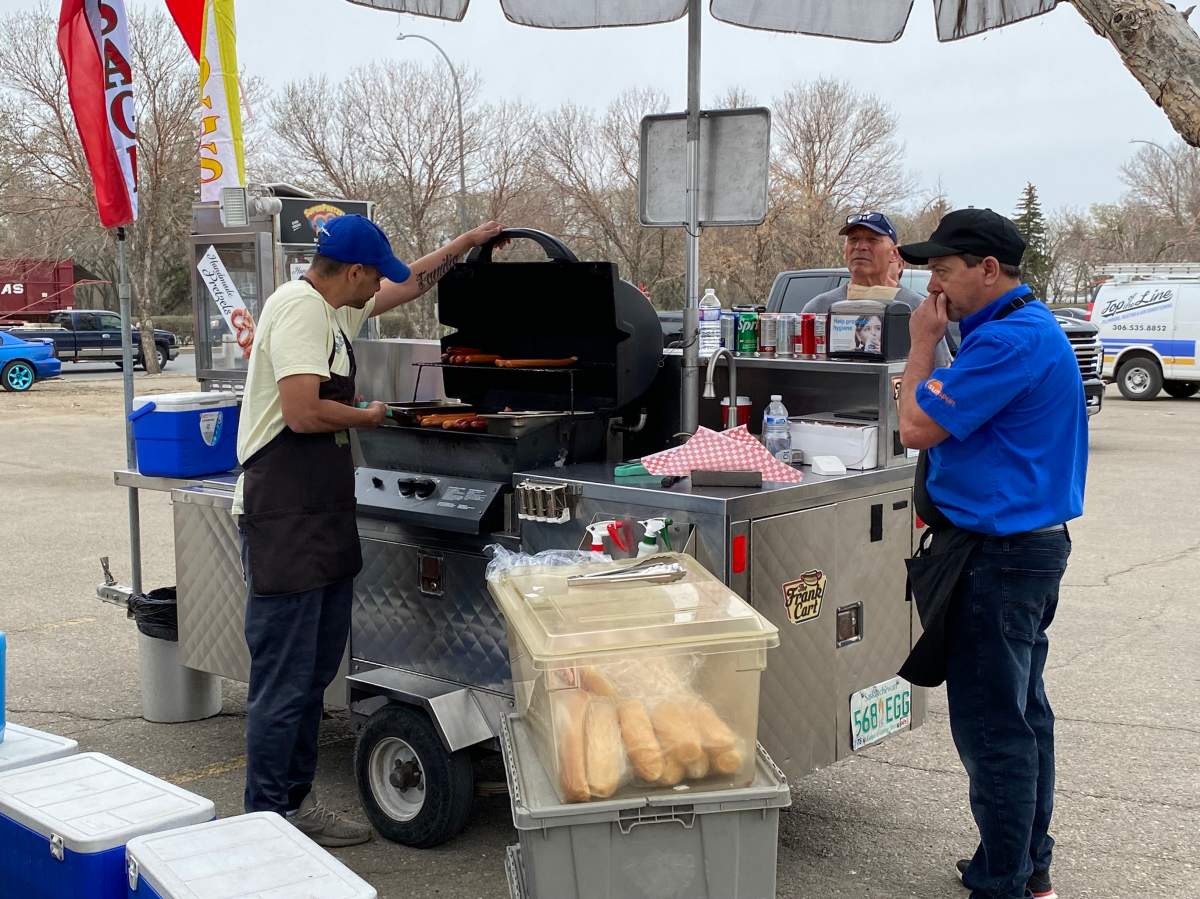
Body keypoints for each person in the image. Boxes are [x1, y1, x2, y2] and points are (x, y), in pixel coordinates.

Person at [233, 214, 503, 846]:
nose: (377, 285)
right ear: (351, 272)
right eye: (372, 275)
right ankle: (268, 820)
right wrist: (371, 415)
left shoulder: (334, 311)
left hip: (318, 514)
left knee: (313, 669)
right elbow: (301, 413)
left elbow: (406, 286)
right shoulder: (299, 309)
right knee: (285, 678)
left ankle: (291, 808)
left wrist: (465, 245)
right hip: (283, 517)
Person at [896, 208, 1087, 899]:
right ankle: (1023, 865)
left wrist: (921, 343)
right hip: (1023, 549)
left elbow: (916, 425)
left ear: (987, 270)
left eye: (943, 272)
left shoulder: (1007, 342)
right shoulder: (1019, 332)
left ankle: (1005, 881)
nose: (934, 289)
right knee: (1023, 714)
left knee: (992, 727)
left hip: (999, 557)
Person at [803, 210, 951, 366]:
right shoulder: (818, 309)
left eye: (872, 240)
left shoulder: (917, 308)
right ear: (844, 251)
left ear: (894, 254)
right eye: (853, 240)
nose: (860, 247)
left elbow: (941, 371)